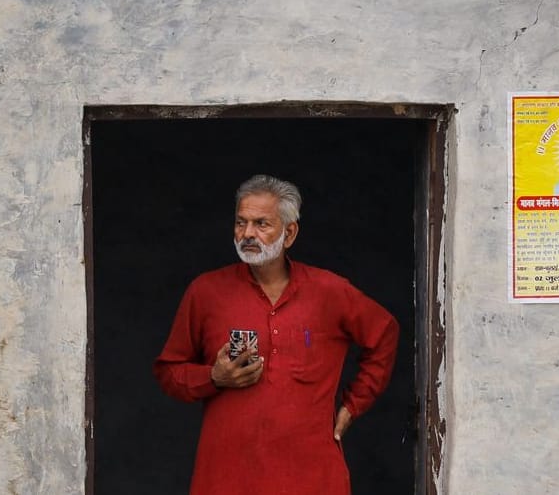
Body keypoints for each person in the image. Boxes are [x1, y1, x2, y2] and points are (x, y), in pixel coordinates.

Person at [153, 174, 400, 495]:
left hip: (310, 476)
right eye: (241, 223)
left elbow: (384, 333)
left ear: (290, 233)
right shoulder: (206, 292)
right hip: (228, 476)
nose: (247, 234)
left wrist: (353, 405)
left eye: (261, 224)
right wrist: (213, 377)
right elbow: (168, 372)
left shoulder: (329, 291)